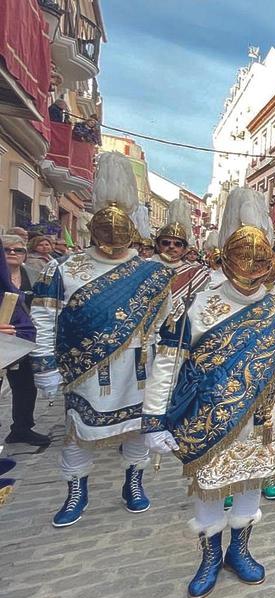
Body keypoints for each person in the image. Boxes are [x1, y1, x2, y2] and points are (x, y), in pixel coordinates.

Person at [141, 187, 275, 598]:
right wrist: (153, 420)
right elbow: (166, 363)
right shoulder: (198, 305)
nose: (251, 269)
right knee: (209, 489)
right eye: (243, 260)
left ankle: (240, 549)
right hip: (206, 418)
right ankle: (209, 557)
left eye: (260, 261)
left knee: (250, 486)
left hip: (260, 419)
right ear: (225, 259)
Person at [31, 152, 174, 527]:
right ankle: (77, 491)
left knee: (138, 430)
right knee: (79, 432)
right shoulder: (63, 267)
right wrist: (45, 364)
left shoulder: (153, 273)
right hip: (84, 368)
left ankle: (134, 483)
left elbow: (164, 322)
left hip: (139, 367)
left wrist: (164, 365)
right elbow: (45, 317)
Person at [1, 235, 41, 446]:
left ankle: (22, 428)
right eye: (7, 249)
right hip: (2, 339)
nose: (13, 253)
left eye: (18, 250)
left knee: (26, 385)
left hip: (25, 339)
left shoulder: (33, 275)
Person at [151, 198, 211, 328]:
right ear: (158, 244)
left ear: (184, 248)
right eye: (166, 242)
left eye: (178, 244)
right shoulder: (144, 267)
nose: (172, 247)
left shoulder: (196, 274)